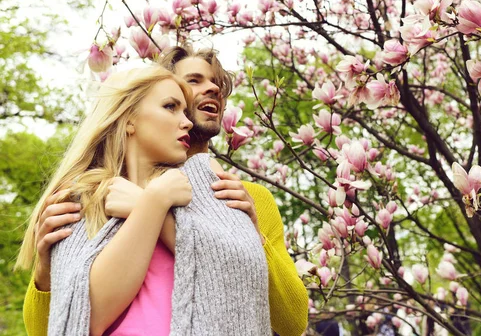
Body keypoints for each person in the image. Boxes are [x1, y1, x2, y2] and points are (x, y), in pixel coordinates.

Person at [20, 46, 309, 335]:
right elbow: (56, 325)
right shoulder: (94, 195)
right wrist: (45, 275)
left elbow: (292, 322)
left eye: (217, 84)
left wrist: (248, 235)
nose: (212, 89)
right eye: (193, 82)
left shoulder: (243, 198)